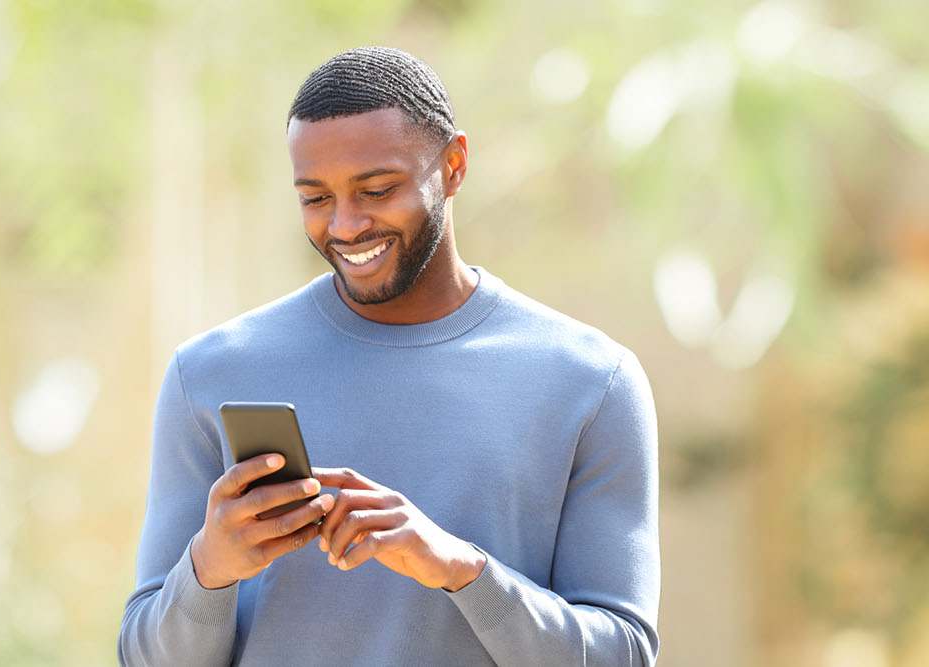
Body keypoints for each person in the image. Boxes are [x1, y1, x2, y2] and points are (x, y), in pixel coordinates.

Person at [118, 46, 660, 666]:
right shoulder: (210, 372)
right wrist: (209, 569)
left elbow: (624, 656)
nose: (346, 226)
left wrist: (461, 569)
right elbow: (146, 657)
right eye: (315, 198)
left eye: (377, 190)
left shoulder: (591, 382)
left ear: (453, 165)